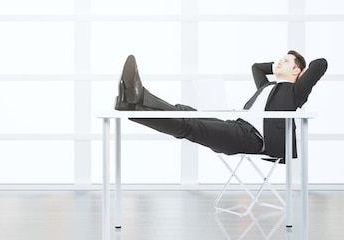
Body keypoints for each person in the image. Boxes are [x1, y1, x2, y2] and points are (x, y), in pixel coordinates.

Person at [114, 51, 328, 160]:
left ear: (296, 72)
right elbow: (256, 68)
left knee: (192, 126)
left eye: (286, 61)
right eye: (280, 59)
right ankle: (136, 100)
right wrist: (280, 66)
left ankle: (134, 105)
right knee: (185, 111)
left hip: (253, 139)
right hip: (237, 126)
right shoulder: (266, 86)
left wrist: (298, 74)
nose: (280, 61)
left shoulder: (295, 93)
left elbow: (320, 64)